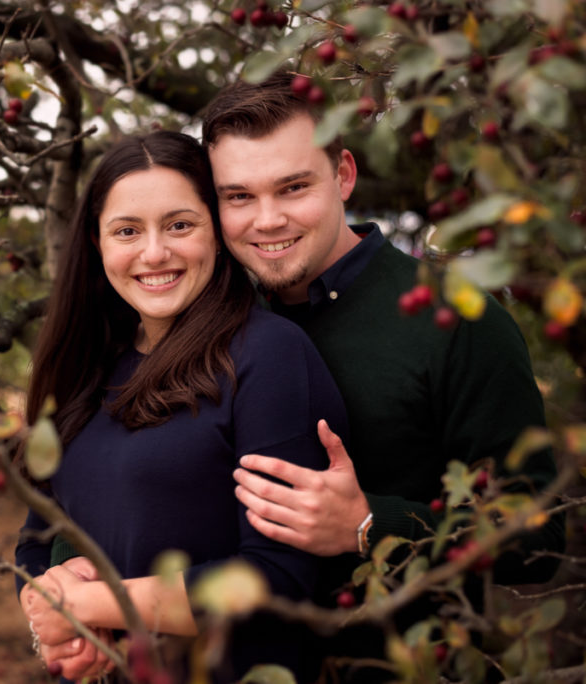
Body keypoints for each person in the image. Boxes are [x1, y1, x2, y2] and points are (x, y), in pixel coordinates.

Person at [201, 70, 565, 680]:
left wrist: (371, 525)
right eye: (238, 196)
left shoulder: (456, 319)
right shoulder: (215, 318)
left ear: (343, 174)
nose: (265, 221)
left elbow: (537, 539)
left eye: (293, 187)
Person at [13, 130, 349, 682]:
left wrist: (95, 607)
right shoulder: (86, 368)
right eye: (127, 231)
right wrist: (48, 605)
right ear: (97, 246)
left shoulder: (267, 355)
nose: (154, 253)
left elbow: (276, 577)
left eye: (179, 225)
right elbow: (35, 536)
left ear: (216, 233)